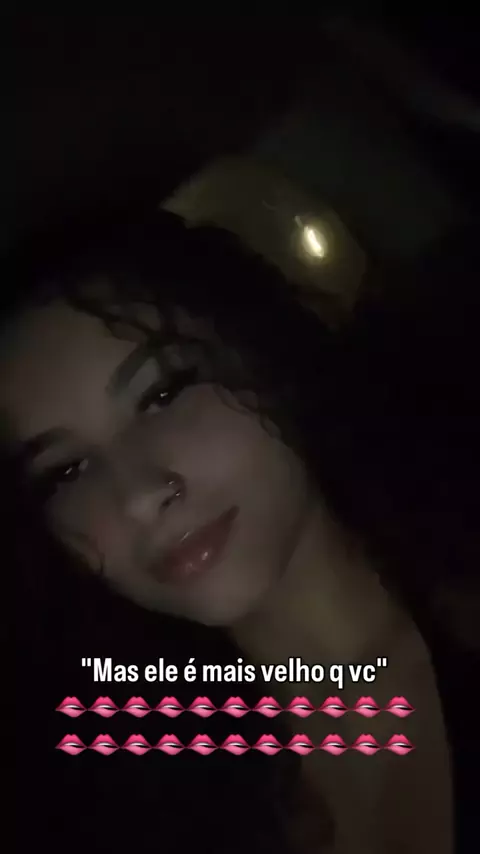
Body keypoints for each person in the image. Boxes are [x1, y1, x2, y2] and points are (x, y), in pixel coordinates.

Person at [6, 208, 471, 853]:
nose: (138, 497)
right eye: (68, 470)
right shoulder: (132, 797)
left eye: (164, 393)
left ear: (262, 358)